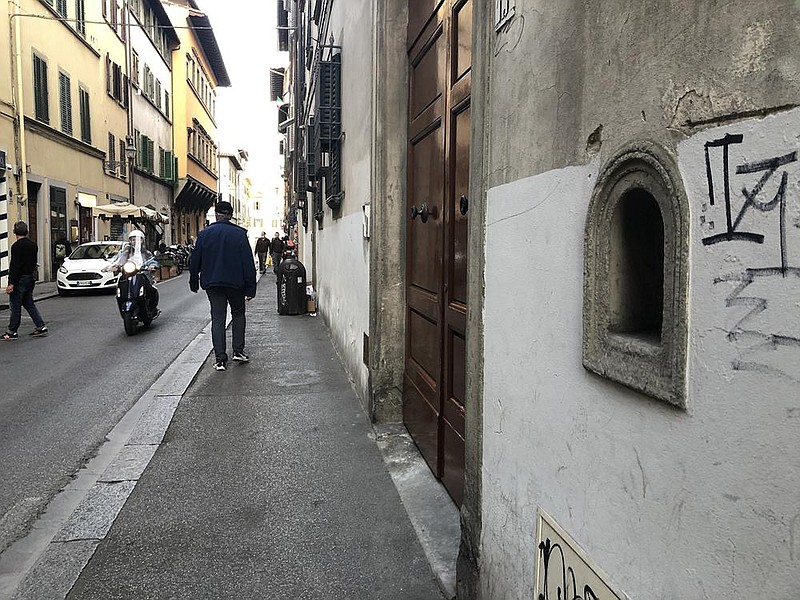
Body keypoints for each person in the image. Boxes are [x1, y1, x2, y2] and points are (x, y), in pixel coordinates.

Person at [189, 201, 257, 371]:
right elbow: (247, 262)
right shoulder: (239, 234)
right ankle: (238, 351)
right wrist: (251, 287)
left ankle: (220, 359)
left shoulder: (204, 235)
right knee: (238, 315)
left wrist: (193, 281)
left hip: (213, 283)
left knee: (218, 318)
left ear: (216, 214)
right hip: (236, 283)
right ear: (230, 215)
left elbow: (195, 260)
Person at [2, 221, 48, 340]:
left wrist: (11, 283)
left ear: (14, 232)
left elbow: (15, 266)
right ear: (27, 231)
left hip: (20, 279)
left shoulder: (16, 246)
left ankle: (12, 331)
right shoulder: (33, 244)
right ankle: (40, 326)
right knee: (28, 303)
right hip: (30, 277)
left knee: (15, 304)